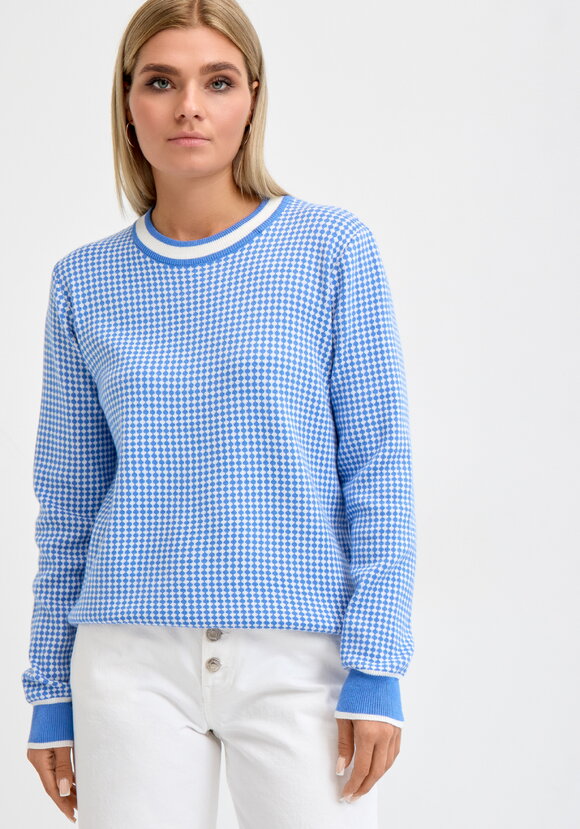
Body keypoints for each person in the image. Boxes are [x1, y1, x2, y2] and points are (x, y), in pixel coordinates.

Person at [21, 0, 417, 826]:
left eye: (219, 81)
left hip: (300, 655)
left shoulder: (329, 250)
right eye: (162, 81)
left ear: (252, 98)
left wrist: (377, 663)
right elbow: (69, 503)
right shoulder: (83, 283)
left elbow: (378, 468)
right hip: (127, 657)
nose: (189, 107)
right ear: (128, 101)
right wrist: (50, 688)